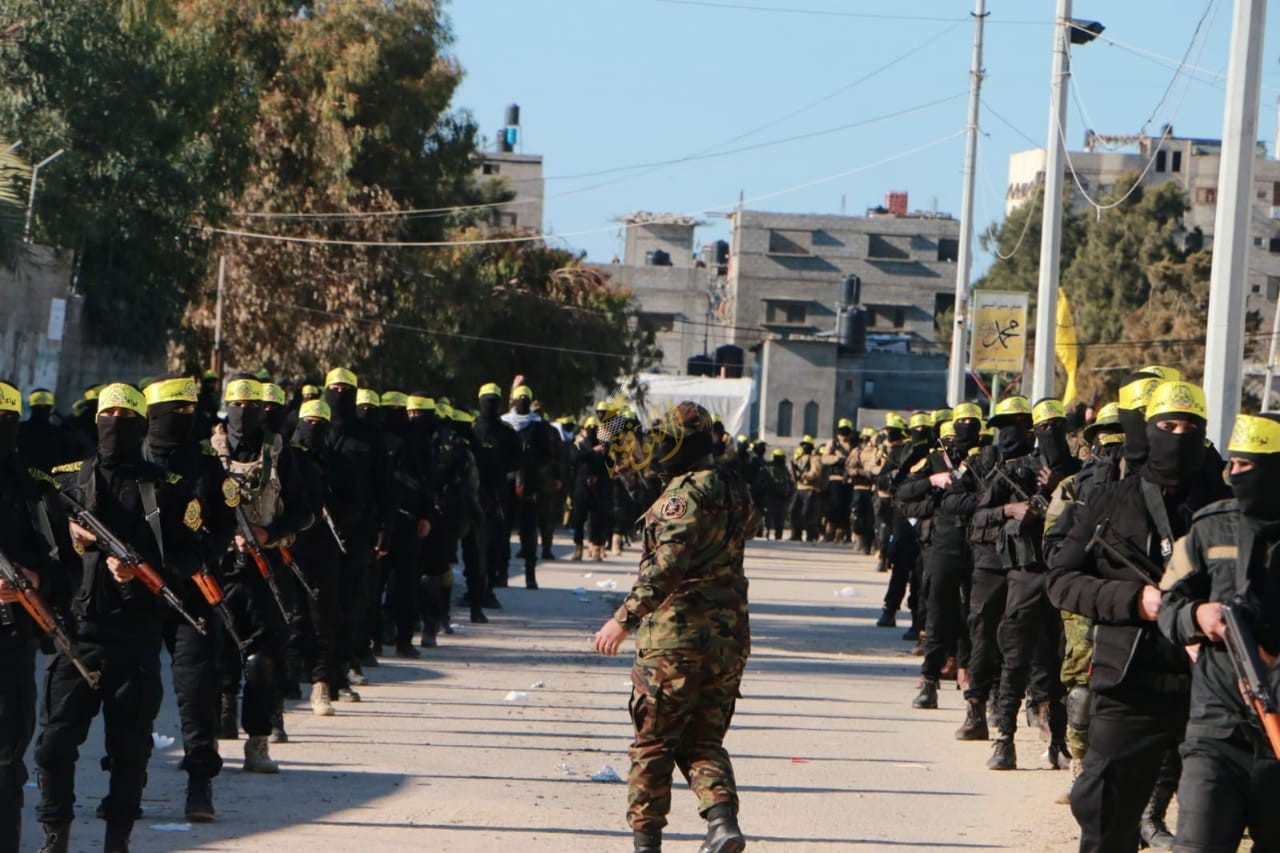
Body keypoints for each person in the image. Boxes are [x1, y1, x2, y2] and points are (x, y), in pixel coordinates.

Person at [1048, 380, 1229, 852]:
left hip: (1212, 686)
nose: (1179, 436)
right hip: (1130, 685)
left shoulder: (1226, 509)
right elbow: (1062, 581)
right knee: (1106, 818)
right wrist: (1137, 601)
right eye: (1168, 426)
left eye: (1191, 428)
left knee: (1215, 823)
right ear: (1148, 431)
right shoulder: (1110, 503)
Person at [36, 383, 202, 853]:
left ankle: (118, 840)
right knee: (53, 746)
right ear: (96, 421)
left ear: (143, 424)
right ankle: (55, 834)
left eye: (127, 419)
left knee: (130, 753)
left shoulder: (167, 489)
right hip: (77, 633)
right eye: (108, 416)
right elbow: (40, 553)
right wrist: (68, 541)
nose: (115, 425)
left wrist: (142, 566)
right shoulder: (65, 482)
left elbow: (193, 557)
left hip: (136, 638)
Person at [593, 401, 752, 853]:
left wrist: (622, 620)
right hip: (728, 638)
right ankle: (722, 822)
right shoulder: (734, 488)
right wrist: (617, 430)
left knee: (654, 744)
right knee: (702, 738)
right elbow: (634, 465)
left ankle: (647, 845)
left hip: (676, 637)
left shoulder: (683, 496)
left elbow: (666, 567)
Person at [1158, 412, 1280, 852]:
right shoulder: (1211, 525)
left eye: (1247, 465)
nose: (1232, 473)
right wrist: (1197, 616)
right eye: (1231, 463)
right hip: (1217, 732)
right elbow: (1168, 604)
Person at [141, 375, 237, 821]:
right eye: (173, 411)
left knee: (197, 691)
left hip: (193, 596)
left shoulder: (206, 466)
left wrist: (200, 560)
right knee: (134, 695)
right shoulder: (130, 459)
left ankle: (200, 785)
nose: (183, 418)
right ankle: (126, 785)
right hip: (137, 594)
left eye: (189, 411)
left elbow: (223, 526)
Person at [210, 374, 313, 773]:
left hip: (264, 566)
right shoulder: (208, 451)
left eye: (252, 406)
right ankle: (210, 737)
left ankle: (257, 740)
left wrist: (271, 532)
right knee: (211, 657)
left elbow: (304, 511)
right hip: (217, 568)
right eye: (237, 405)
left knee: (261, 659)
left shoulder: (281, 453)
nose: (244, 414)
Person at [0, 380, 64, 853]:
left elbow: (66, 568)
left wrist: (34, 580)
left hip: (12, 639)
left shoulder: (36, 488)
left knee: (6, 761)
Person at [913, 402, 984, 710]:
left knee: (976, 612)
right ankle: (929, 679)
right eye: (961, 423)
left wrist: (961, 499)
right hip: (943, 542)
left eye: (972, 423)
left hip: (977, 542)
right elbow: (904, 491)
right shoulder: (933, 461)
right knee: (938, 609)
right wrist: (932, 483)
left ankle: (969, 674)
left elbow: (987, 497)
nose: (965, 429)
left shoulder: (987, 459)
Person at [789, 436, 821, 542]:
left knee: (807, 513)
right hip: (799, 488)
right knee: (793, 511)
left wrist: (804, 476)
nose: (804, 447)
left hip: (810, 488)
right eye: (803, 445)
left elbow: (815, 472)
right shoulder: (799, 458)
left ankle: (811, 535)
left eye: (806, 445)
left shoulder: (815, 458)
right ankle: (795, 534)